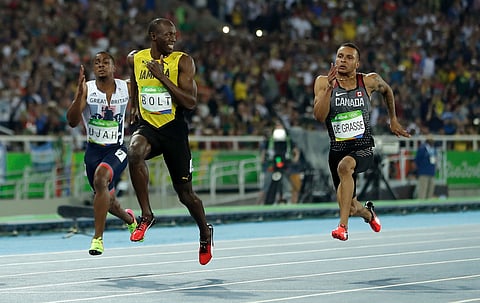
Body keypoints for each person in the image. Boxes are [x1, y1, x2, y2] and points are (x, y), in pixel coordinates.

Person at [127, 18, 213, 265]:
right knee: (134, 153)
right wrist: (133, 103)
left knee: (186, 195)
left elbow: (190, 102)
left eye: (175, 35)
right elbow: (134, 80)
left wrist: (162, 77)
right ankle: (146, 214)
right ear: (154, 36)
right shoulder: (135, 58)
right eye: (168, 35)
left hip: (174, 131)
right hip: (148, 127)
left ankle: (205, 232)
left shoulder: (183, 61)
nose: (173, 39)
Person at [313, 42, 411, 241]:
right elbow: (319, 116)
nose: (343, 60)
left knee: (345, 166)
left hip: (363, 147)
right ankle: (368, 213)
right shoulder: (323, 82)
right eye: (340, 56)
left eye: (349, 58)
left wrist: (393, 119)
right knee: (349, 207)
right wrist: (329, 90)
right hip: (337, 148)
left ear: (357, 63)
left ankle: (342, 228)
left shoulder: (368, 81)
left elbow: (388, 91)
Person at [66, 51, 138, 255]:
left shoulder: (126, 87)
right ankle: (130, 219)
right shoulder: (87, 89)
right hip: (93, 151)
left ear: (114, 67)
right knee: (108, 200)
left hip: (117, 149)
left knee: (101, 178)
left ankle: (97, 238)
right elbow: (72, 121)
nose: (101, 65)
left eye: (106, 62)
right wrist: (79, 95)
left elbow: (144, 92)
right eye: (96, 62)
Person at [414, 135, 437, 199]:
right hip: (423, 172)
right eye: (431, 141)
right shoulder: (422, 149)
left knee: (430, 190)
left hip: (431, 172)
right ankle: (421, 205)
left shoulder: (434, 150)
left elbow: (434, 160)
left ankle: (428, 205)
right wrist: (420, 169)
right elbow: (417, 160)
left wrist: (434, 169)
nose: (432, 142)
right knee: (422, 191)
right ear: (427, 141)